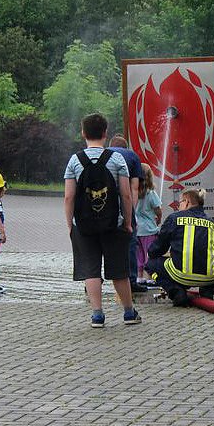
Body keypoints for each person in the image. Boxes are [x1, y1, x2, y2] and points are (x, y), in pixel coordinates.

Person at [64, 113, 142, 328]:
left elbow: (69, 196)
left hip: (84, 225)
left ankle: (97, 315)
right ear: (105, 133)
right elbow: (126, 195)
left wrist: (71, 224)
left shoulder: (75, 160)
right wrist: (127, 222)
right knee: (119, 269)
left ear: (83, 133)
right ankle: (128, 312)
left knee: (90, 269)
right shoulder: (117, 159)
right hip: (113, 223)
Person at [145, 189, 214, 307]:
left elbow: (158, 249)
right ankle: (207, 291)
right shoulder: (213, 224)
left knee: (150, 264)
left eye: (180, 202)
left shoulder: (174, 218)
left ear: (186, 202)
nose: (178, 206)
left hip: (179, 276)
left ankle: (176, 292)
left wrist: (151, 253)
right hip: (209, 277)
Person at [108, 134, 146, 293]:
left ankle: (92, 281)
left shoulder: (103, 154)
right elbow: (134, 188)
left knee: (101, 243)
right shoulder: (132, 156)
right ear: (125, 146)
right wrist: (131, 212)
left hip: (103, 206)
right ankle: (131, 281)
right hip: (124, 205)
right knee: (130, 242)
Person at [135, 163, 162, 284]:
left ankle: (139, 277)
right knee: (150, 255)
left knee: (138, 254)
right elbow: (158, 209)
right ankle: (149, 278)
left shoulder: (133, 192)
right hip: (149, 230)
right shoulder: (151, 193)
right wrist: (159, 219)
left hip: (136, 229)